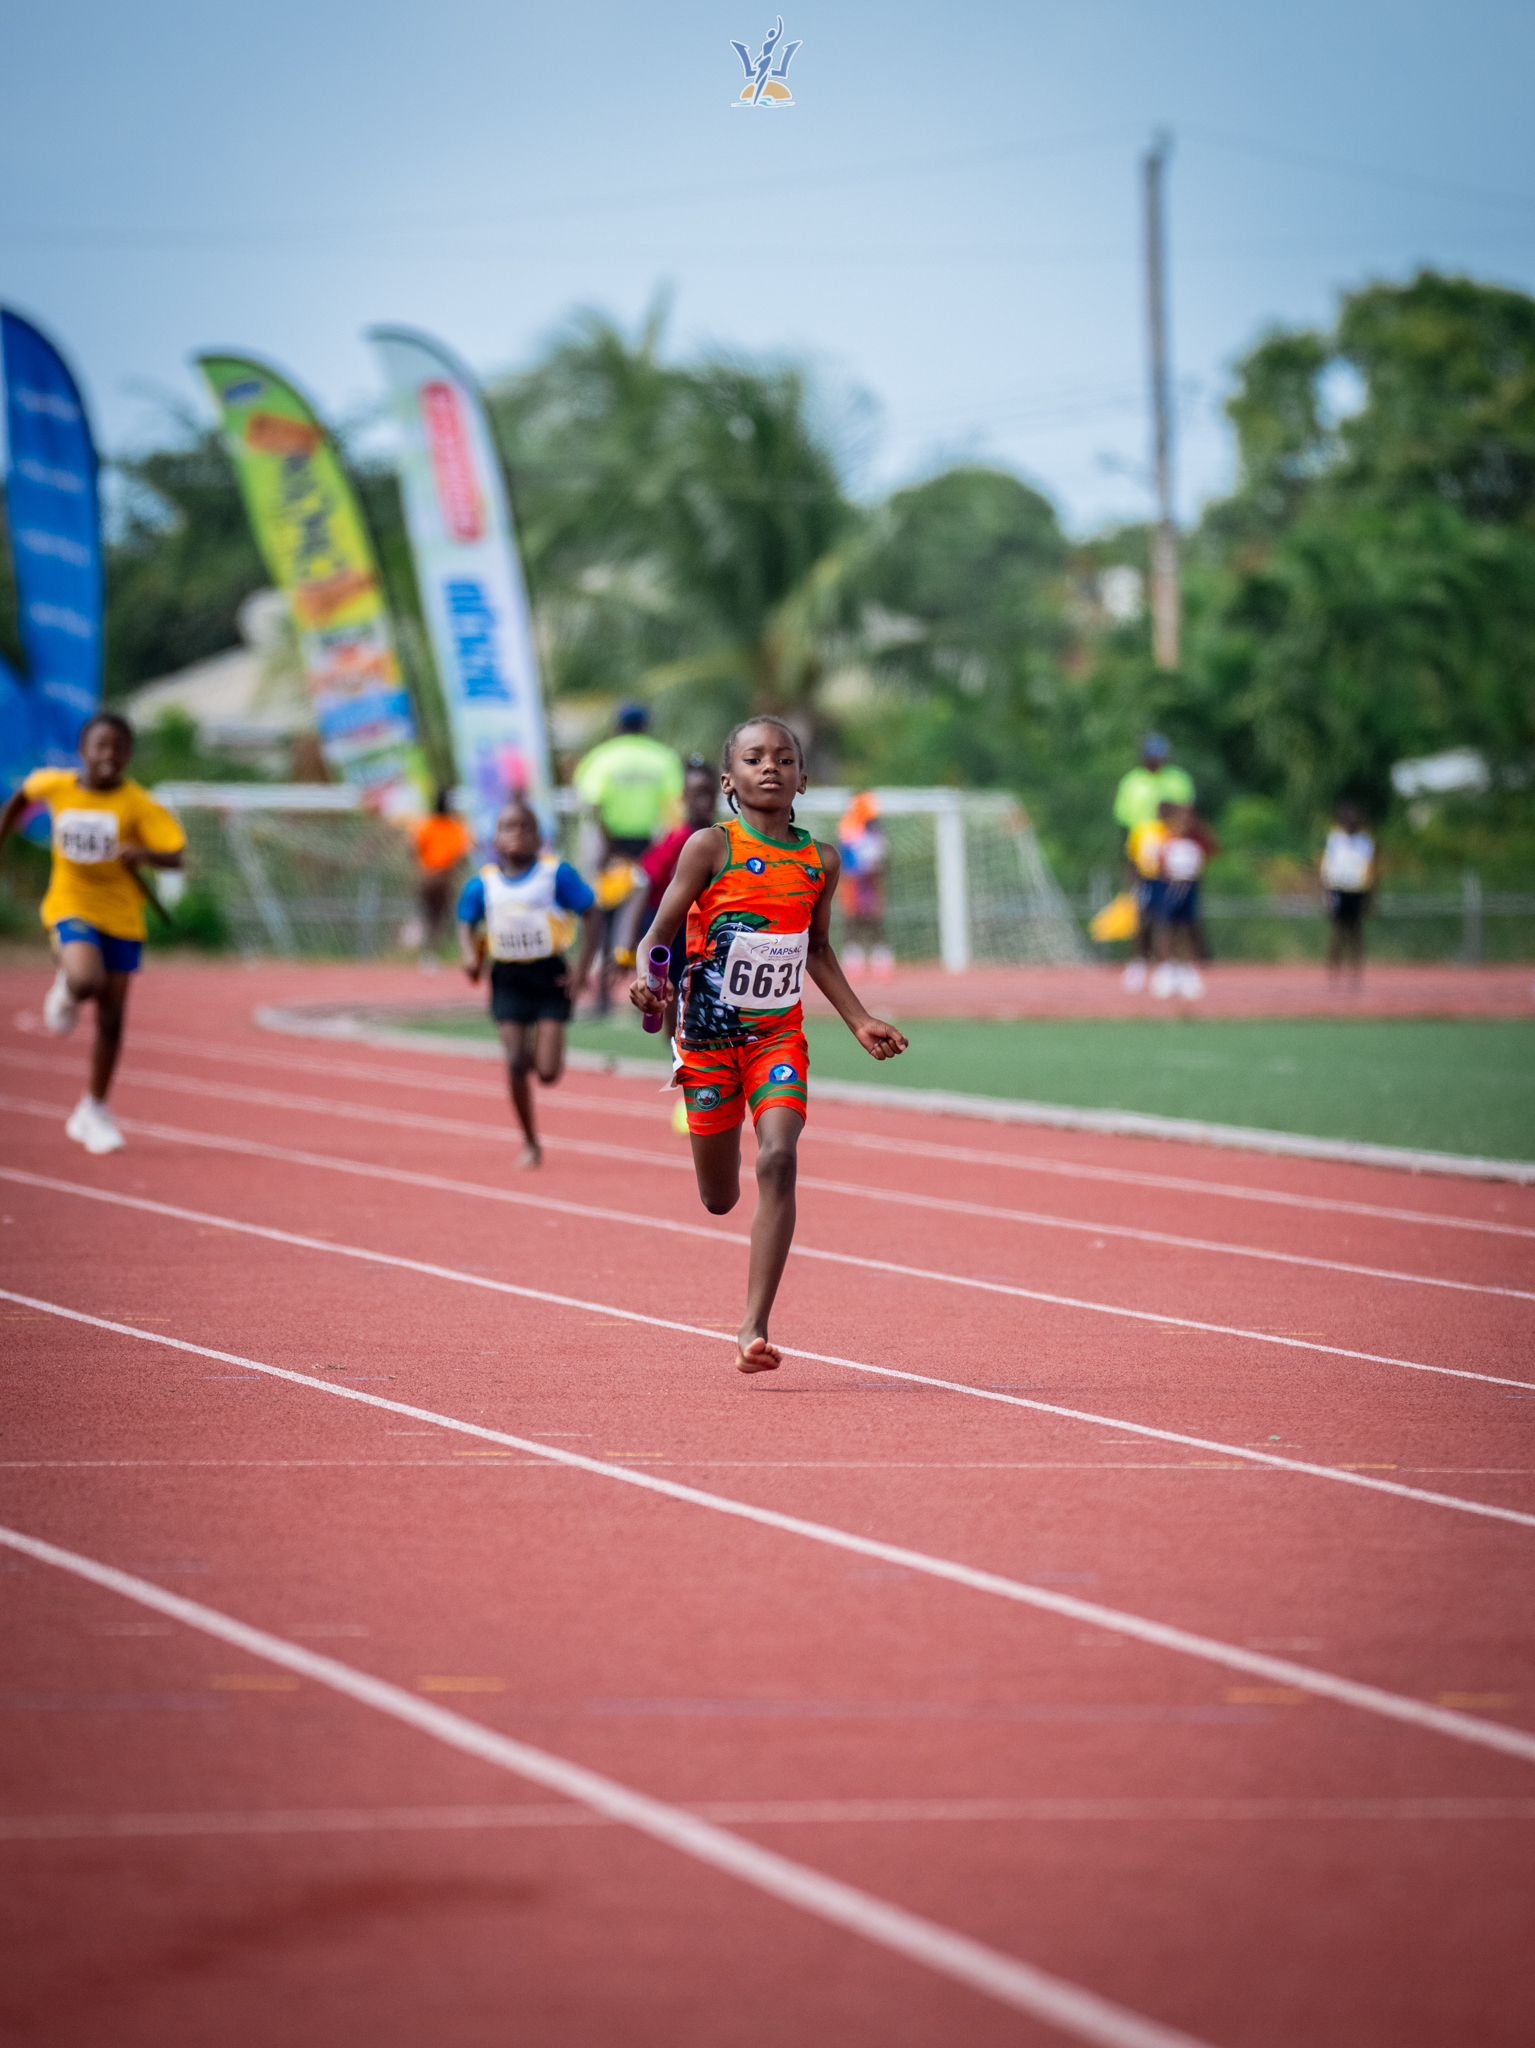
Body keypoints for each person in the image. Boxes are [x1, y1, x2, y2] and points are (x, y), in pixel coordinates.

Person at [629, 717, 908, 1375]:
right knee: (719, 1198)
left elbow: (817, 948)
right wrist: (648, 979)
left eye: (784, 759)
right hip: (707, 1041)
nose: (770, 768)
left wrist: (858, 1019)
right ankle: (719, 1165)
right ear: (729, 780)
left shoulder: (820, 862)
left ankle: (752, 1326)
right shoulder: (708, 848)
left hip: (776, 1037)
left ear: (802, 780)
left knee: (779, 1159)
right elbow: (656, 935)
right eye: (754, 759)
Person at [0, 710, 185, 1155]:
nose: (109, 755)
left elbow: (176, 856)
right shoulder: (55, 784)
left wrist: (141, 853)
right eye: (101, 746)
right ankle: (66, 989)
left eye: (119, 748)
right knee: (86, 980)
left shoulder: (138, 804)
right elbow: (23, 796)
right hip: (71, 902)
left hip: (121, 914)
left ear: (129, 755)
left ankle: (93, 1110)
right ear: (82, 751)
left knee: (111, 1017)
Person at [458, 801, 600, 1168]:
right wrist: (470, 957)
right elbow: (465, 920)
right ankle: (530, 1141)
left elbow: (591, 912)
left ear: (539, 838)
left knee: (548, 1073)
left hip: (549, 976)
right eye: (508, 827)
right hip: (508, 978)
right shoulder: (484, 883)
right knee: (515, 1062)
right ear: (495, 838)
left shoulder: (555, 875)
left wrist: (583, 970)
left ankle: (540, 1036)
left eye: (525, 827)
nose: (517, 834)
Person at [574, 704, 684, 1009]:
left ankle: (603, 997)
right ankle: (647, 987)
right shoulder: (663, 757)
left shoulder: (601, 757)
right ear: (645, 726)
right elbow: (673, 807)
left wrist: (608, 847)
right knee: (646, 919)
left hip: (611, 844)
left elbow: (593, 805)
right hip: (649, 847)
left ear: (617, 726)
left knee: (605, 915)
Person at [1113, 734, 1194, 990]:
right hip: (1144, 850)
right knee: (1143, 913)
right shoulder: (1132, 783)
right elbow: (1125, 825)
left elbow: (1188, 818)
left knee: (1178, 917)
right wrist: (1130, 863)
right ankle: (1139, 962)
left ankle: (1176, 965)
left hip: (1173, 853)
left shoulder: (1178, 779)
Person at [1149, 801, 1219, 999]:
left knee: (1187, 929)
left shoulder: (1194, 843)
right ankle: (1166, 970)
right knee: (1167, 928)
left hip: (1189, 888)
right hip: (1172, 888)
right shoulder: (1167, 842)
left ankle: (1185, 970)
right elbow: (1160, 866)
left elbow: (1210, 852)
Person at [407, 787, 473, 970]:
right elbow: (461, 855)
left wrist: (421, 864)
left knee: (426, 912)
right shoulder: (455, 826)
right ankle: (430, 952)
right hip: (444, 877)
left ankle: (421, 939)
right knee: (438, 916)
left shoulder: (425, 824)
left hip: (426, 875)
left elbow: (413, 848)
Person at [836, 790, 892, 977]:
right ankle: (854, 955)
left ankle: (879, 954)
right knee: (852, 917)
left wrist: (876, 864)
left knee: (874, 917)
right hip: (853, 879)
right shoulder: (848, 829)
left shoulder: (876, 831)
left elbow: (883, 858)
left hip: (872, 879)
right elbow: (845, 858)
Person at [1320, 800, 1374, 983]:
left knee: (1355, 932)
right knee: (1338, 931)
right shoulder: (1335, 839)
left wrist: (1369, 897)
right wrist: (1326, 892)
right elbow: (1327, 866)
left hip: (1357, 889)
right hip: (1338, 888)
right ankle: (1333, 971)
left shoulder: (1365, 841)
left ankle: (1355, 973)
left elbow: (1370, 868)